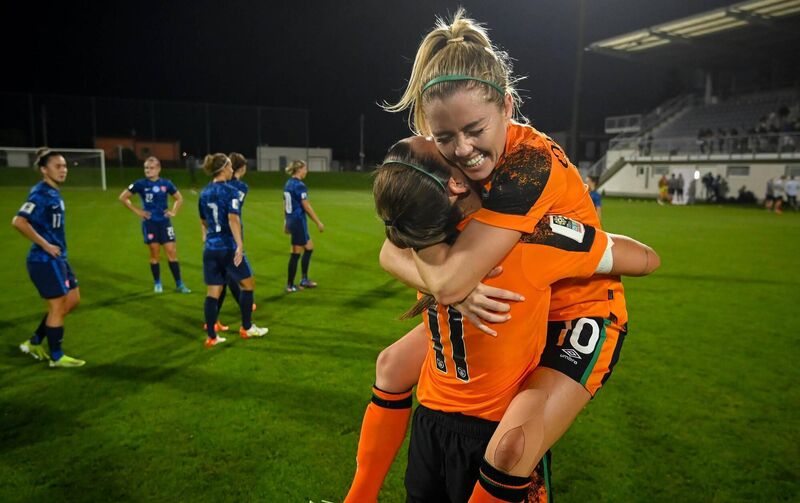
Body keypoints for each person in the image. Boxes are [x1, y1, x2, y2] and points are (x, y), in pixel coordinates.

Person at [351, 10, 659, 501]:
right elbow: (393, 247)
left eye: (475, 129)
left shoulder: (529, 165)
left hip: (577, 309)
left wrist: (456, 284)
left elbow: (451, 281)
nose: (463, 150)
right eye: (445, 137)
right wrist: (454, 283)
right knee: (391, 367)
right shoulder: (451, 160)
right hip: (514, 297)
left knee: (511, 450)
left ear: (508, 108)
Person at [13, 148, 85, 368]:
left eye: (64, 166)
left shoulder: (54, 192)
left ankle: (35, 341)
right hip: (43, 260)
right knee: (56, 306)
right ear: (44, 170)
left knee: (72, 300)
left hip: (58, 258)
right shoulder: (40, 193)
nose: (63, 170)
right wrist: (45, 244)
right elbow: (19, 221)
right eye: (57, 166)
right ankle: (56, 356)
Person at [198, 153, 268, 347]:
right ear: (223, 169)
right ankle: (247, 327)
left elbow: (203, 220)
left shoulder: (204, 193)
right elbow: (233, 219)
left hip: (210, 247)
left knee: (213, 291)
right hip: (228, 247)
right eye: (229, 167)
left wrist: (209, 235)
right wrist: (239, 245)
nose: (231, 170)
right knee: (248, 284)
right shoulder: (231, 192)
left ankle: (212, 336)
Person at [119, 156, 191, 293]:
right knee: (155, 254)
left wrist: (173, 211)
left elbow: (179, 198)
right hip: (150, 223)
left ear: (158, 169)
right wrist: (138, 211)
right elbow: (123, 197)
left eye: (151, 168)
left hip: (165, 222)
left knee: (171, 252)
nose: (148, 170)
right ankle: (157, 283)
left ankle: (179, 284)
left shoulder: (166, 183)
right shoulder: (140, 184)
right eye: (146, 168)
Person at [283, 160, 324, 293]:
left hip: (293, 220)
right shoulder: (300, 185)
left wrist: (286, 222)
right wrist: (318, 222)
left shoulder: (288, 183)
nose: (306, 171)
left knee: (309, 248)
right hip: (298, 221)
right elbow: (306, 206)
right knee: (295, 253)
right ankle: (290, 285)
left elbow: (286, 205)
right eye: (305, 168)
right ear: (299, 169)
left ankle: (304, 279)